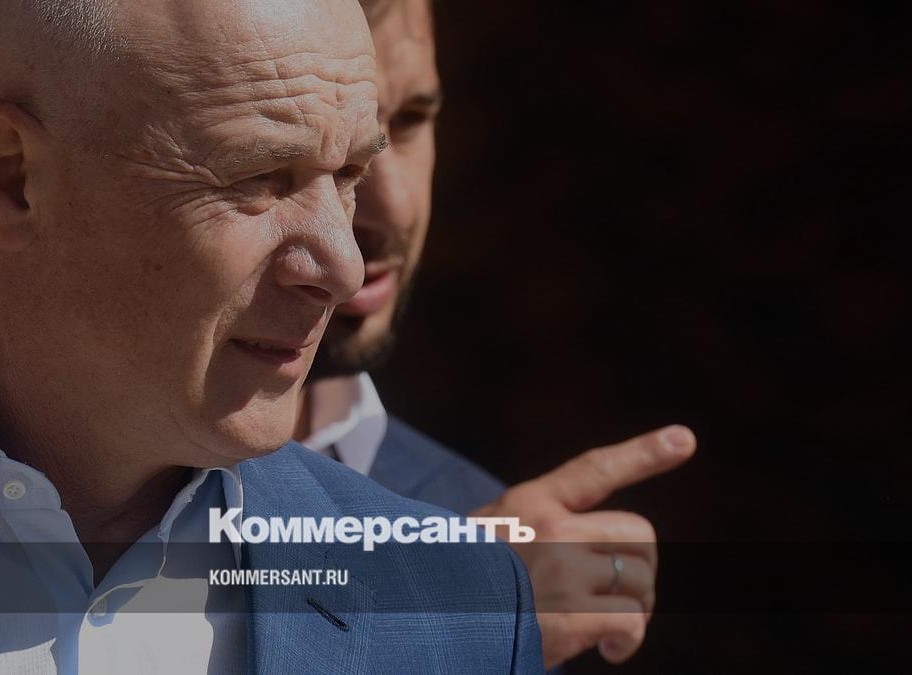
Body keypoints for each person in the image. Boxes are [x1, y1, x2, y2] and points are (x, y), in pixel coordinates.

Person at [0, 0, 541, 672]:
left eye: (348, 175)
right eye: (259, 178)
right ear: (10, 176)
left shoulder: (460, 614)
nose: (343, 267)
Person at [296, 0, 697, 668]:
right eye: (330, 140)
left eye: (412, 120)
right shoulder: (110, 485)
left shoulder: (484, 521)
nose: (394, 205)